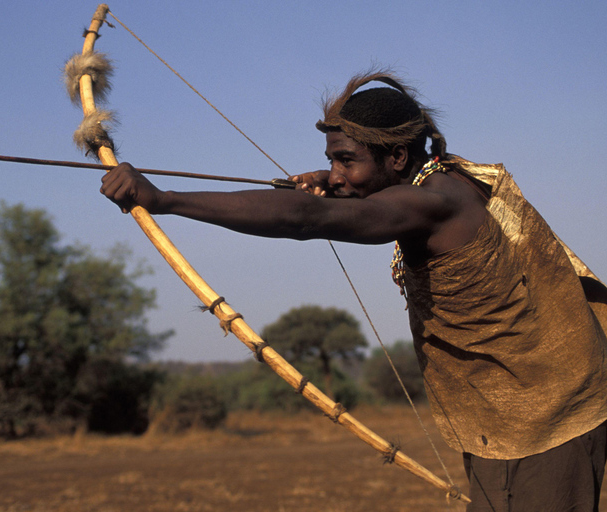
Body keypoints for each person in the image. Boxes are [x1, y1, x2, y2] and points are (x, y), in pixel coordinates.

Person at [100, 70, 607, 511]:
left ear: (398, 157)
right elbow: (344, 194)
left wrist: (163, 198)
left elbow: (307, 217)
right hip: (513, 412)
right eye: (331, 161)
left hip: (549, 413)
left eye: (347, 160)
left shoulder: (435, 203)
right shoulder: (442, 178)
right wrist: (341, 179)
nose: (336, 174)